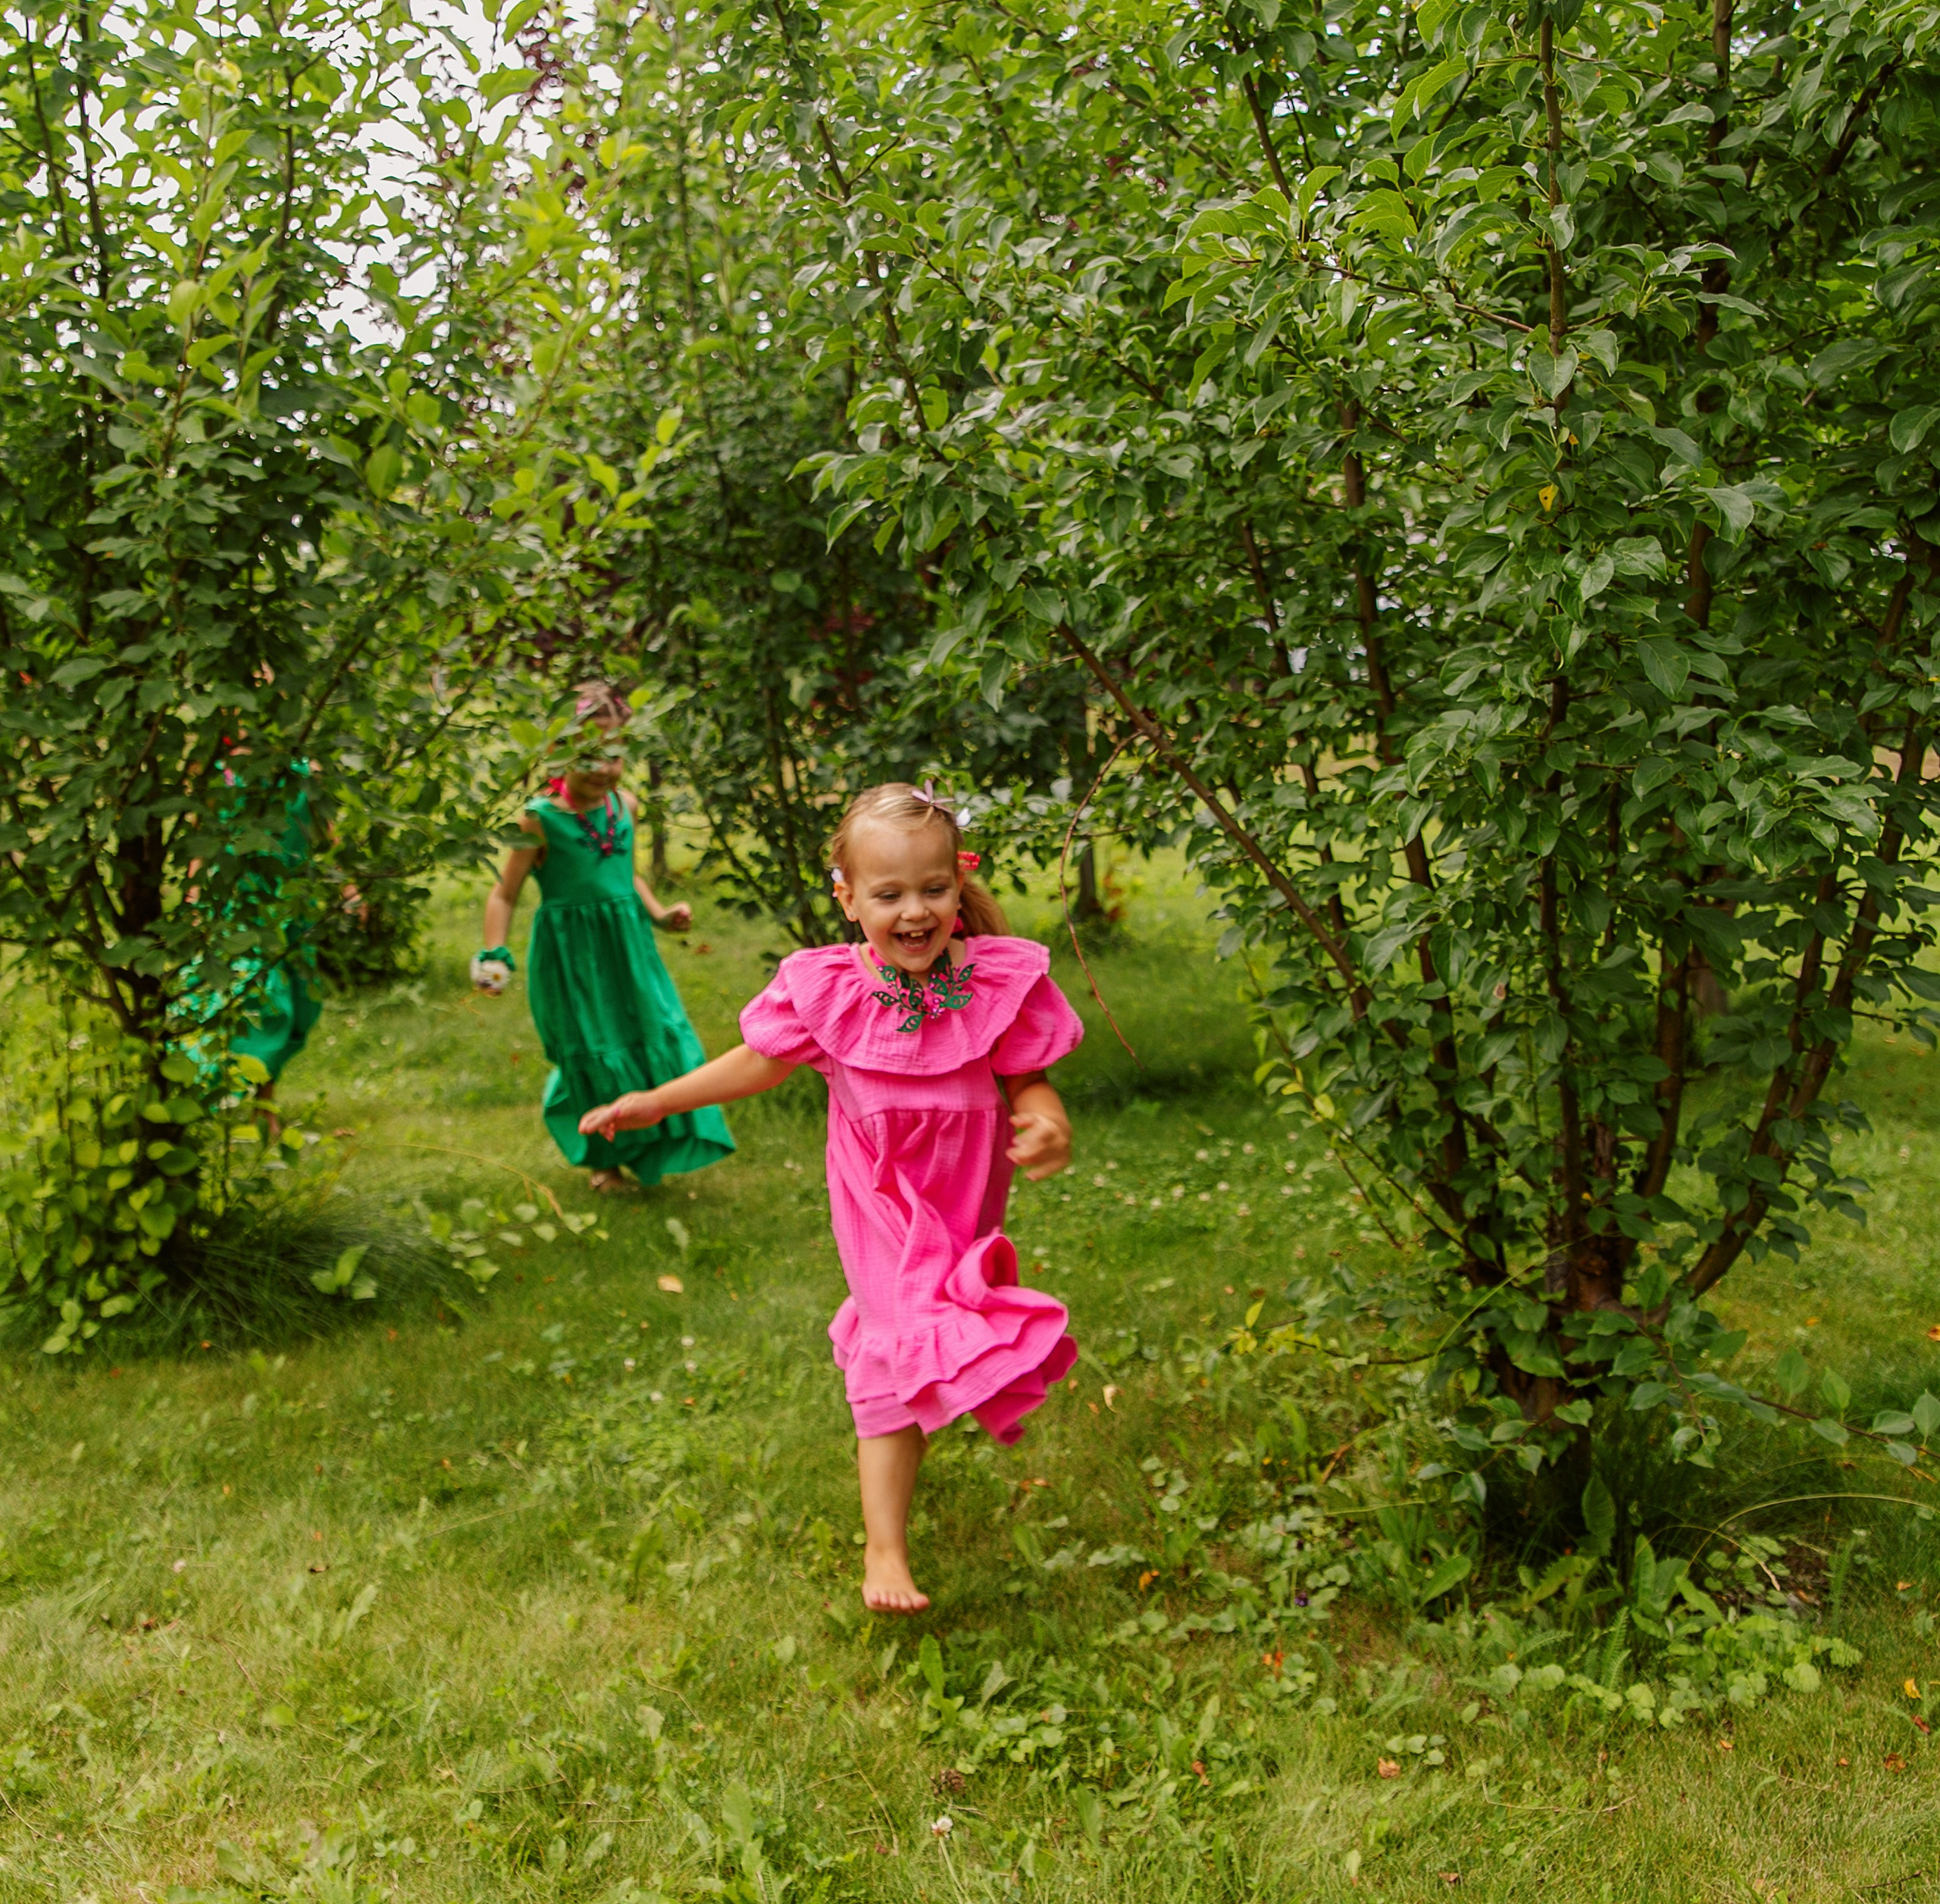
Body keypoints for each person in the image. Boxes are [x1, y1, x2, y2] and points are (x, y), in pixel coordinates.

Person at [579, 782, 1083, 1613]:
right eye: (888, 894)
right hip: (879, 1198)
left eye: (933, 889)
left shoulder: (992, 979)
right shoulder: (832, 990)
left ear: (960, 884)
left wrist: (1046, 1120)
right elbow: (758, 1061)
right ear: (849, 900)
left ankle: (923, 1409)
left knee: (932, 1325)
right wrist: (659, 1101)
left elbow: (1025, 1078)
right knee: (892, 1343)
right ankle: (884, 1550)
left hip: (959, 1200)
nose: (914, 911)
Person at [476, 684, 734, 1193]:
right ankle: (605, 1162)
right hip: (572, 959)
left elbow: (625, 874)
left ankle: (654, 1139)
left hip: (629, 950)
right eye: (589, 753)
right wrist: (492, 955)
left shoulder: (626, 806)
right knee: (593, 1045)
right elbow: (504, 894)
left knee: (654, 1032)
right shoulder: (540, 817)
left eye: (615, 754)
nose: (603, 766)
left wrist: (659, 913)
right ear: (556, 749)